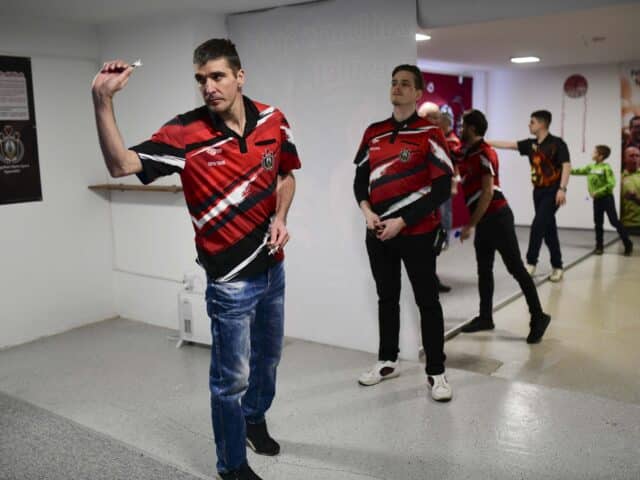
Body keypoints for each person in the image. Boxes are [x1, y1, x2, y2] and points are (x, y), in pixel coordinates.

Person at [91, 39, 301, 480]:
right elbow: (120, 165)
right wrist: (102, 100)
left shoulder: (273, 119)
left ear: (240, 77)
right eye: (201, 79)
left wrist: (281, 216)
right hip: (230, 281)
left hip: (272, 266)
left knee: (268, 359)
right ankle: (231, 466)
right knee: (230, 381)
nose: (209, 87)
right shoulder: (185, 133)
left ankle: (254, 419)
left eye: (218, 76)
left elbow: (285, 174)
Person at [354, 65, 454, 401]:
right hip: (379, 231)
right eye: (394, 82)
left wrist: (403, 221)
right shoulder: (374, 132)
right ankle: (388, 360)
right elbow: (360, 182)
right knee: (387, 298)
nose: (397, 88)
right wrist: (368, 213)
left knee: (427, 301)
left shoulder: (431, 133)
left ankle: (436, 372)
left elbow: (442, 189)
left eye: (405, 84)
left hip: (418, 233)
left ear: (418, 93)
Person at [457, 110, 551, 343]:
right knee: (484, 269)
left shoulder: (484, 153)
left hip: (497, 218)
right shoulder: (467, 152)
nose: (460, 128)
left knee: (516, 268)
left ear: (472, 128)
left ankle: (538, 316)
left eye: (463, 125)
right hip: (484, 220)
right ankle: (485, 317)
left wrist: (470, 225)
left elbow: (487, 193)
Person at [489, 110, 571, 282]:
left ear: (542, 124)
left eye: (532, 122)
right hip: (538, 192)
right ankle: (557, 266)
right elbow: (509, 145)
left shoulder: (557, 143)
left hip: (553, 191)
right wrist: (484, 142)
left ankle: (530, 262)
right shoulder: (530, 144)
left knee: (538, 225)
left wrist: (562, 189)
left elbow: (566, 165)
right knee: (548, 229)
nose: (529, 124)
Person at [416, 102, 453, 293]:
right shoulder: (414, 140)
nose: (440, 121)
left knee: (432, 244)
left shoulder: (436, 140)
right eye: (436, 117)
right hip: (418, 202)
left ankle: (431, 279)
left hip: (432, 201)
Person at [570, 145, 633, 255]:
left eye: (595, 152)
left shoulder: (606, 168)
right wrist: (566, 169)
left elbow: (611, 184)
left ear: (601, 156)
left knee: (614, 221)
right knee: (598, 223)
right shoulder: (591, 167)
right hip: (597, 200)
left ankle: (628, 243)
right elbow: (578, 171)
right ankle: (599, 247)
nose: (592, 154)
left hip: (607, 199)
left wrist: (598, 192)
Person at [621, 146, 640, 232]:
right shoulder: (619, 178)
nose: (635, 158)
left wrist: (635, 199)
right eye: (631, 156)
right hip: (627, 225)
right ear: (624, 159)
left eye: (637, 156)